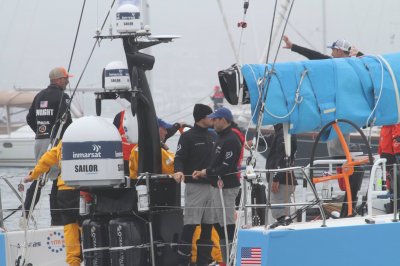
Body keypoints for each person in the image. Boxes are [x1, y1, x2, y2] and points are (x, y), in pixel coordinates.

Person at [282, 35, 362, 158]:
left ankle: (341, 172)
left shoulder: (337, 64)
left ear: (339, 51)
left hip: (340, 112)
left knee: (337, 149)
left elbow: (315, 56)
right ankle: (342, 171)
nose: (331, 53)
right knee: (338, 147)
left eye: (333, 50)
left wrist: (293, 46)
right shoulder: (356, 64)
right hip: (346, 111)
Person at [193, 107, 242, 265]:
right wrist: (206, 172)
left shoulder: (231, 140)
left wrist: (206, 172)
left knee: (227, 225)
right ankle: (226, 258)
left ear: (223, 120)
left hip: (227, 188)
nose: (212, 121)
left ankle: (232, 259)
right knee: (217, 223)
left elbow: (226, 168)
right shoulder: (220, 137)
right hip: (217, 187)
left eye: (215, 119)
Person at [25, 66, 73, 225]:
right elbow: (68, 122)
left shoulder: (39, 95)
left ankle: (25, 214)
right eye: (66, 79)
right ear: (59, 80)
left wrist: (40, 132)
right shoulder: (63, 96)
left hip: (39, 141)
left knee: (39, 177)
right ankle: (56, 220)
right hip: (54, 142)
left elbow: (29, 118)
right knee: (57, 180)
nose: (67, 81)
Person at [173, 104, 217, 265]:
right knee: (190, 225)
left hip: (212, 187)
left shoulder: (214, 136)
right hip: (195, 187)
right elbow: (179, 158)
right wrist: (178, 171)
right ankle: (182, 262)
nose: (212, 119)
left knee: (208, 226)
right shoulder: (187, 137)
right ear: (202, 118)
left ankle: (204, 262)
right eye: (210, 116)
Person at [23, 141, 81, 266]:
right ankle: (90, 257)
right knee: (85, 225)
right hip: (84, 190)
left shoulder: (63, 143)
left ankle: (73, 262)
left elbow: (45, 160)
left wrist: (32, 176)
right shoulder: (92, 140)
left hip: (65, 191)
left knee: (70, 228)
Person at [265, 124, 298, 220]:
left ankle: (285, 231)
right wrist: (255, 142)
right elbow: (272, 140)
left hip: (282, 181)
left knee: (279, 213)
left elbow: (283, 158)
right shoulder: (283, 132)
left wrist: (276, 179)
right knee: (281, 212)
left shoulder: (284, 133)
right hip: (286, 179)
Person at [378, 124, 400, 213]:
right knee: (392, 183)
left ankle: (394, 208)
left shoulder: (389, 123)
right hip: (389, 155)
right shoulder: (387, 124)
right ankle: (394, 208)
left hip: (390, 155)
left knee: (393, 183)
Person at [113, 106, 138, 175]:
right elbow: (113, 136)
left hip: (139, 159)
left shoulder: (145, 116)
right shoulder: (120, 116)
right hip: (124, 160)